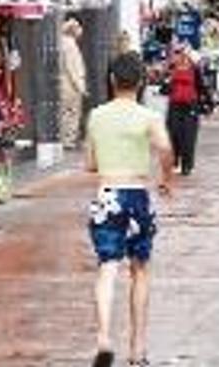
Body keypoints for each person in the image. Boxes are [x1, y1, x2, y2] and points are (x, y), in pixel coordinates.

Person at [85, 52, 174, 367]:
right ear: (140, 83)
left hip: (106, 193)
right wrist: (166, 178)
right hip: (137, 194)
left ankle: (104, 337)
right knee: (140, 270)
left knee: (107, 267)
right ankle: (137, 349)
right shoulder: (148, 117)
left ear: (111, 81)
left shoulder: (96, 115)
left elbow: (90, 164)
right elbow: (165, 148)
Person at [165, 44, 209, 176]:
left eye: (182, 53)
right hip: (175, 105)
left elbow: (202, 86)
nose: (180, 56)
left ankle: (187, 165)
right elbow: (165, 87)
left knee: (188, 136)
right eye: (177, 53)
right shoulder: (171, 68)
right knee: (174, 134)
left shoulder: (195, 69)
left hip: (190, 106)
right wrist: (166, 82)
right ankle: (175, 161)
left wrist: (208, 103)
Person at [59, 18, 88, 149]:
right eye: (78, 28)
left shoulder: (61, 43)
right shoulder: (70, 45)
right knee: (71, 112)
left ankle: (65, 138)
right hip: (70, 85)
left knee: (64, 111)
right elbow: (73, 68)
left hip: (63, 83)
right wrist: (80, 87)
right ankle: (68, 140)